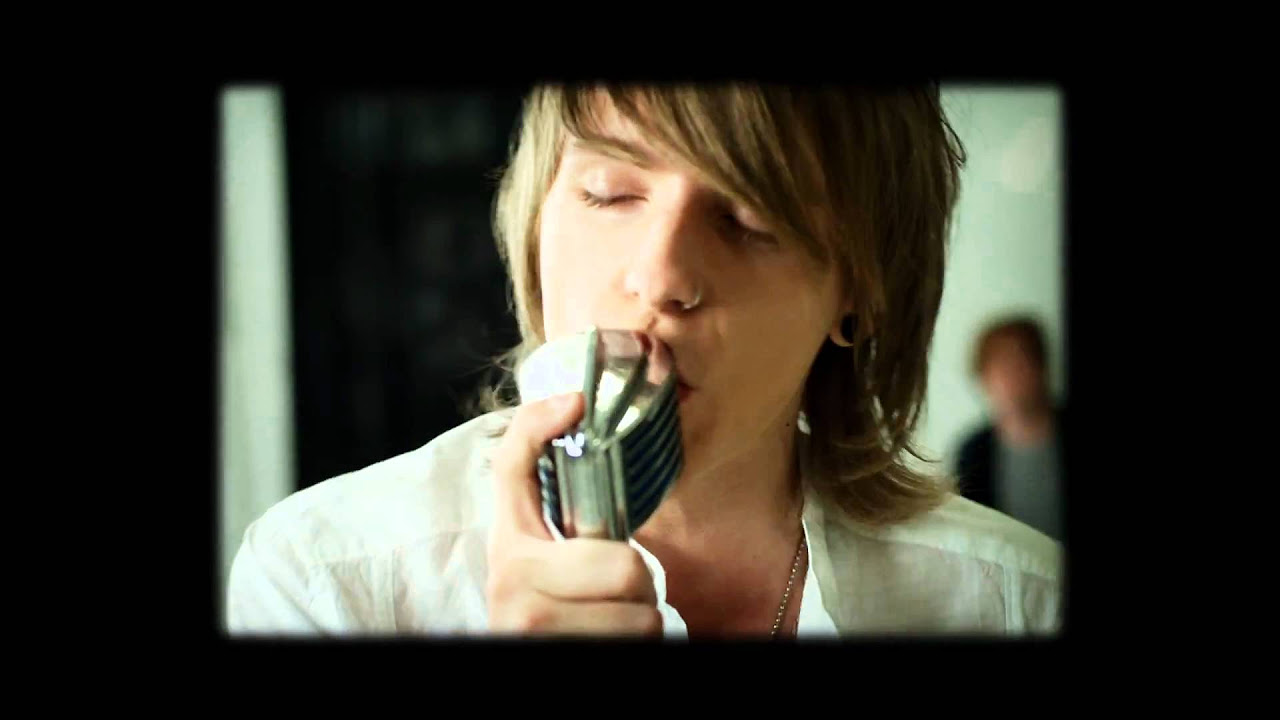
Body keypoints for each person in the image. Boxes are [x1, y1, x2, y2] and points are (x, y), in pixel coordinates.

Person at [226, 83, 1063, 638]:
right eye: (609, 193)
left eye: (750, 220)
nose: (660, 277)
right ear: (534, 223)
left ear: (860, 292)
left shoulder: (1017, 602)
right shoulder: (324, 581)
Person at [956, 316, 1067, 542]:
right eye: (998, 366)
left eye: (1019, 363)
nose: (1009, 377)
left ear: (1041, 367)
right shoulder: (973, 452)